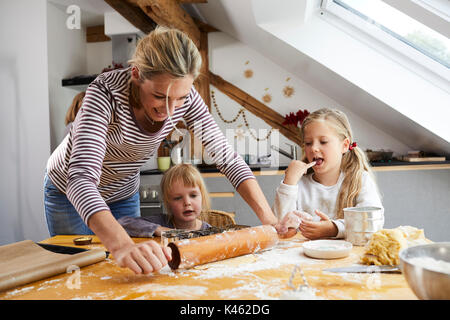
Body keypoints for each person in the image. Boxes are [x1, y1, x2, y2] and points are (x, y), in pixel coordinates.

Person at [44, 26, 278, 275]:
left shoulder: (186, 98)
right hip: (68, 192)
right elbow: (80, 179)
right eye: (159, 96)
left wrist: (270, 221)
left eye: (179, 98)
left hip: (123, 192)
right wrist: (121, 244)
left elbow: (227, 159)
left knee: (135, 271)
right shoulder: (104, 94)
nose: (170, 109)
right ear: (136, 74)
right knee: (82, 272)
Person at [273, 108, 383, 240]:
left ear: (345, 145)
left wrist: (334, 228)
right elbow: (280, 227)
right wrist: (288, 183)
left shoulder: (360, 180)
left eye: (323, 142)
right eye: (308, 143)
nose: (313, 148)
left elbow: (372, 223)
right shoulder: (298, 185)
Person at [118, 164, 212, 237]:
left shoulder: (209, 231)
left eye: (193, 195)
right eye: (178, 198)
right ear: (168, 202)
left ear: (202, 197)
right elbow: (123, 223)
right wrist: (159, 229)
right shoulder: (161, 222)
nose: (187, 202)